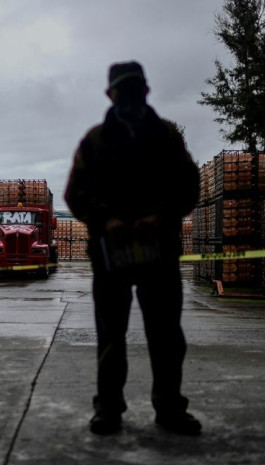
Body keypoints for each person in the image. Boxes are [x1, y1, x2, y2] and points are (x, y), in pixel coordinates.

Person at [64, 61, 202, 436]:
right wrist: (106, 219)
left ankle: (170, 408)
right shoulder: (94, 141)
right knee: (111, 337)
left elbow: (189, 186)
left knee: (167, 335)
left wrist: (159, 217)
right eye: (122, 91)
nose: (129, 97)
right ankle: (109, 409)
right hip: (113, 255)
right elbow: (76, 193)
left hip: (159, 253)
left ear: (147, 91)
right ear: (110, 95)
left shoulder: (167, 137)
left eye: (135, 90)